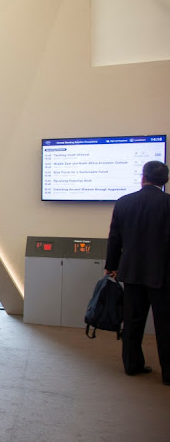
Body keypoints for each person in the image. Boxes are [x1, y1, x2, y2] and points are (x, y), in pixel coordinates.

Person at [105, 161, 170, 386]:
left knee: (132, 322)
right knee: (165, 325)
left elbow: (114, 238)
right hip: (163, 275)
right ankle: (168, 374)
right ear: (165, 181)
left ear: (142, 178)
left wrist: (111, 265)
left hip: (131, 273)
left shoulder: (124, 202)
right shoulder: (168, 204)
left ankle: (132, 366)